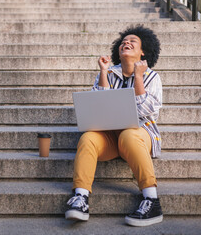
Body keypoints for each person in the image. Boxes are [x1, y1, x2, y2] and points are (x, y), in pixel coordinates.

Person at [65, 25, 163, 227]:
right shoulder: (108, 72)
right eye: (123, 41)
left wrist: (138, 77)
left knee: (129, 134)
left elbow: (146, 111)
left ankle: (152, 200)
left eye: (132, 41)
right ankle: (81, 197)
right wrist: (103, 72)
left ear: (143, 51)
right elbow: (96, 106)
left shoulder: (152, 77)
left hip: (138, 136)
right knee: (88, 138)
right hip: (109, 136)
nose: (125, 43)